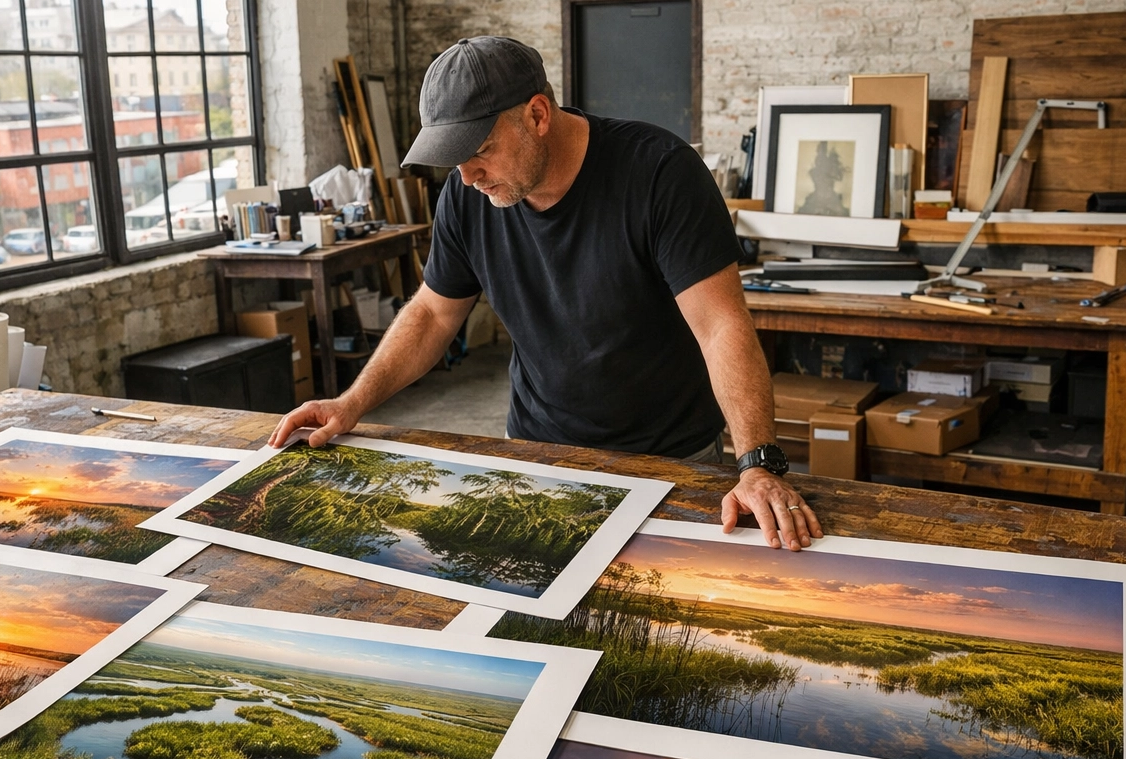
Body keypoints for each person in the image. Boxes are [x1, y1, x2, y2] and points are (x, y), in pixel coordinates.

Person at [270, 36, 821, 552]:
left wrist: (758, 465)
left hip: (667, 457)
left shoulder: (659, 174)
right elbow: (435, 314)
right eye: (454, 160)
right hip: (536, 450)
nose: (468, 177)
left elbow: (720, 325)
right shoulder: (468, 198)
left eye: (481, 150)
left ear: (537, 115)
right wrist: (351, 403)